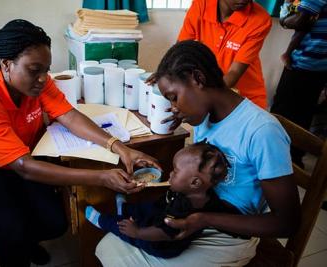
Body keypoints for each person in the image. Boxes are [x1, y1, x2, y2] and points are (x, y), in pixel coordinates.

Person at [0, 19, 159, 267]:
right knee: (12, 231)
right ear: (6, 65)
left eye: (45, 70)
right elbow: (25, 167)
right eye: (34, 70)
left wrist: (119, 147)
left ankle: (26, 241)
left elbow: (69, 116)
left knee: (54, 222)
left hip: (15, 159)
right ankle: (20, 246)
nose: (43, 78)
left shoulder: (36, 84)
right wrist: (101, 177)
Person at [95, 40, 301, 266]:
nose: (173, 107)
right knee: (108, 247)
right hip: (195, 214)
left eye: (174, 97)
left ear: (198, 79)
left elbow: (287, 223)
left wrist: (203, 219)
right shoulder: (206, 116)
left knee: (118, 255)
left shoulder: (262, 132)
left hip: (229, 236)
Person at [86, 141, 244, 259]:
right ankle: (125, 209)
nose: (170, 174)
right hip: (162, 211)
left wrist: (138, 232)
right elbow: (230, 215)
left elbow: (163, 233)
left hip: (160, 243)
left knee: (127, 231)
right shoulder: (204, 194)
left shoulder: (182, 210)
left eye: (175, 171)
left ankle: (103, 221)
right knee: (147, 207)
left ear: (195, 183)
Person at [177, 0, 272, 109]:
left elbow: (234, 72)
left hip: (246, 98)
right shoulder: (201, 5)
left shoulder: (260, 19)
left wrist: (202, 99)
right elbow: (181, 49)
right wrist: (166, 73)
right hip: (211, 91)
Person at [271, 0, 327, 167]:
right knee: (305, 112)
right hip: (322, 65)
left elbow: (301, 22)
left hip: (304, 63)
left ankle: (276, 157)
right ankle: (294, 159)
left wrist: (283, 19)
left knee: (283, 112)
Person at [279, 0, 317, 69]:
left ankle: (287, 54)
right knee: (304, 27)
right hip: (288, 13)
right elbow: (293, 9)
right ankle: (287, 54)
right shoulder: (296, 2)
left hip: (293, 11)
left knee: (303, 28)